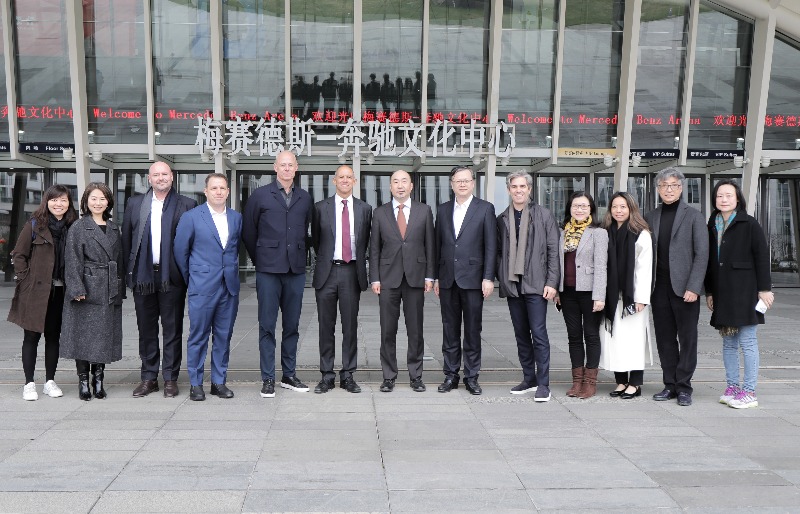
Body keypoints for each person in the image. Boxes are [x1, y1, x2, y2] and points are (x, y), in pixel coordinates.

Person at [122, 161, 197, 398]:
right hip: (143, 276)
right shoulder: (135, 203)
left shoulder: (187, 204)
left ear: (172, 177)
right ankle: (149, 377)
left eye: (165, 174)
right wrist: (128, 274)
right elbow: (127, 240)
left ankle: (170, 378)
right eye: (156, 174)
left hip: (172, 277)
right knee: (146, 329)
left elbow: (192, 243)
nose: (161, 178)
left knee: (172, 329)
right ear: (149, 179)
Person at [242, 150, 313, 398]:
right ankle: (268, 378)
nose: (286, 169)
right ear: (275, 167)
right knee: (267, 325)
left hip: (295, 270)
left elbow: (306, 229)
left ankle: (289, 375)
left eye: (290, 165)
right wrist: (262, 258)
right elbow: (249, 231)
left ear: (296, 168)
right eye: (282, 165)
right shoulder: (260, 195)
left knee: (292, 325)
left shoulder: (304, 197)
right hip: (268, 270)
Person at [705, 180, 773, 409]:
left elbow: (762, 257)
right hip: (723, 293)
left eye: (728, 195)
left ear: (737, 199)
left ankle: (749, 392)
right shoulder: (712, 224)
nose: (723, 199)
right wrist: (710, 291)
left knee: (748, 342)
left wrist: (764, 289)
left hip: (745, 292)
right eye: (719, 196)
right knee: (729, 344)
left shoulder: (749, 223)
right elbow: (710, 262)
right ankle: (732, 387)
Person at [174, 173, 242, 401]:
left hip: (229, 287)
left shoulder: (236, 218)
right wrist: (195, 278)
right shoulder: (192, 217)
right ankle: (195, 384)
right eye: (214, 188)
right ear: (206, 191)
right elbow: (180, 252)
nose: (219, 192)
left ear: (228, 191)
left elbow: (233, 250)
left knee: (223, 336)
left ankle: (218, 382)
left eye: (222, 188)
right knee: (199, 336)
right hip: (202, 287)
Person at [645, 167, 708, 407]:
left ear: (681, 188)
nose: (668, 190)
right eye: (664, 186)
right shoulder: (651, 217)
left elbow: (702, 254)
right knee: (665, 339)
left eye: (673, 185)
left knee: (687, 338)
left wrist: (694, 287)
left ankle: (684, 387)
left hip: (685, 290)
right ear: (658, 189)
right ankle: (669, 384)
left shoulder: (694, 216)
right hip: (658, 288)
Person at [9, 185, 78, 401]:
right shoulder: (34, 225)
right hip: (35, 291)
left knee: (53, 336)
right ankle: (29, 383)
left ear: (69, 203)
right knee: (31, 336)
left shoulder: (73, 227)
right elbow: (19, 255)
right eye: (54, 200)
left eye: (63, 200)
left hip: (60, 291)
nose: (59, 204)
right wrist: (25, 279)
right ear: (47, 202)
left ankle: (50, 381)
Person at [496, 170, 559, 402]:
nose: (519, 190)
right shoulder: (502, 218)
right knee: (521, 334)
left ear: (530, 189)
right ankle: (529, 378)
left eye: (523, 186)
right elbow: (499, 252)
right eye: (514, 186)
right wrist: (502, 276)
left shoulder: (544, 215)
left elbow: (553, 250)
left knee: (539, 334)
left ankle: (543, 384)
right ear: (508, 189)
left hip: (537, 284)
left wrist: (552, 282)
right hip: (513, 285)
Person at [370, 169, 435, 393]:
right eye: (395, 182)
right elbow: (374, 248)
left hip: (415, 277)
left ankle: (416, 376)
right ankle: (389, 376)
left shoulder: (424, 211)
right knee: (387, 330)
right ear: (390, 187)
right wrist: (374, 278)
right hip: (388, 279)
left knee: (415, 330)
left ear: (411, 186)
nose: (400, 185)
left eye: (404, 181)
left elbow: (430, 245)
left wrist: (429, 275)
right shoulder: (379, 213)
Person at [433, 166, 496, 395]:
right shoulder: (443, 209)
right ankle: (450, 375)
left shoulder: (485, 208)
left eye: (466, 180)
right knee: (449, 329)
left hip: (473, 279)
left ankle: (471, 376)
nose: (462, 184)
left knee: (472, 330)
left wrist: (488, 277)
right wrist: (436, 276)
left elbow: (491, 246)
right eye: (458, 181)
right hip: (448, 279)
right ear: (452, 184)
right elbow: (437, 245)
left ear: (473, 183)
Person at [60, 183, 124, 401]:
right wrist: (76, 288)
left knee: (103, 337)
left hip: (108, 289)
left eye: (102, 199)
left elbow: (120, 261)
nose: (98, 203)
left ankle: (99, 379)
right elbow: (72, 259)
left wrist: (119, 288)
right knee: (82, 337)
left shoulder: (114, 228)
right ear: (86, 201)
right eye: (94, 198)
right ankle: (83, 381)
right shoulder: (79, 227)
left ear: (109, 202)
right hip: (86, 289)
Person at [310, 165, 372, 394]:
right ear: (334, 181)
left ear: (354, 181)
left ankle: (348, 375)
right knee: (326, 326)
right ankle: (327, 375)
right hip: (327, 272)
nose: (345, 180)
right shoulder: (320, 208)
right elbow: (316, 241)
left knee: (350, 326)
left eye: (349, 177)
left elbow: (366, 241)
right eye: (341, 177)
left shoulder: (365, 209)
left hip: (351, 272)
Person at [554, 192, 608, 399]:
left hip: (590, 292)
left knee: (591, 335)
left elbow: (601, 266)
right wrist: (557, 290)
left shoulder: (598, 233)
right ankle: (577, 381)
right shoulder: (562, 232)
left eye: (584, 206)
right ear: (570, 208)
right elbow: (558, 263)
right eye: (576, 205)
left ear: (591, 209)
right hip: (567, 292)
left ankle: (590, 382)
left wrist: (600, 296)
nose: (579, 209)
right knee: (574, 336)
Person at [600, 192, 653, 400]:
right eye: (615, 207)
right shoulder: (606, 231)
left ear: (631, 209)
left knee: (634, 340)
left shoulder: (641, 233)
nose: (618, 211)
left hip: (632, 298)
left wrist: (641, 299)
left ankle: (635, 383)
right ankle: (621, 381)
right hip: (611, 296)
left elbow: (644, 268)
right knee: (614, 339)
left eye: (623, 207)